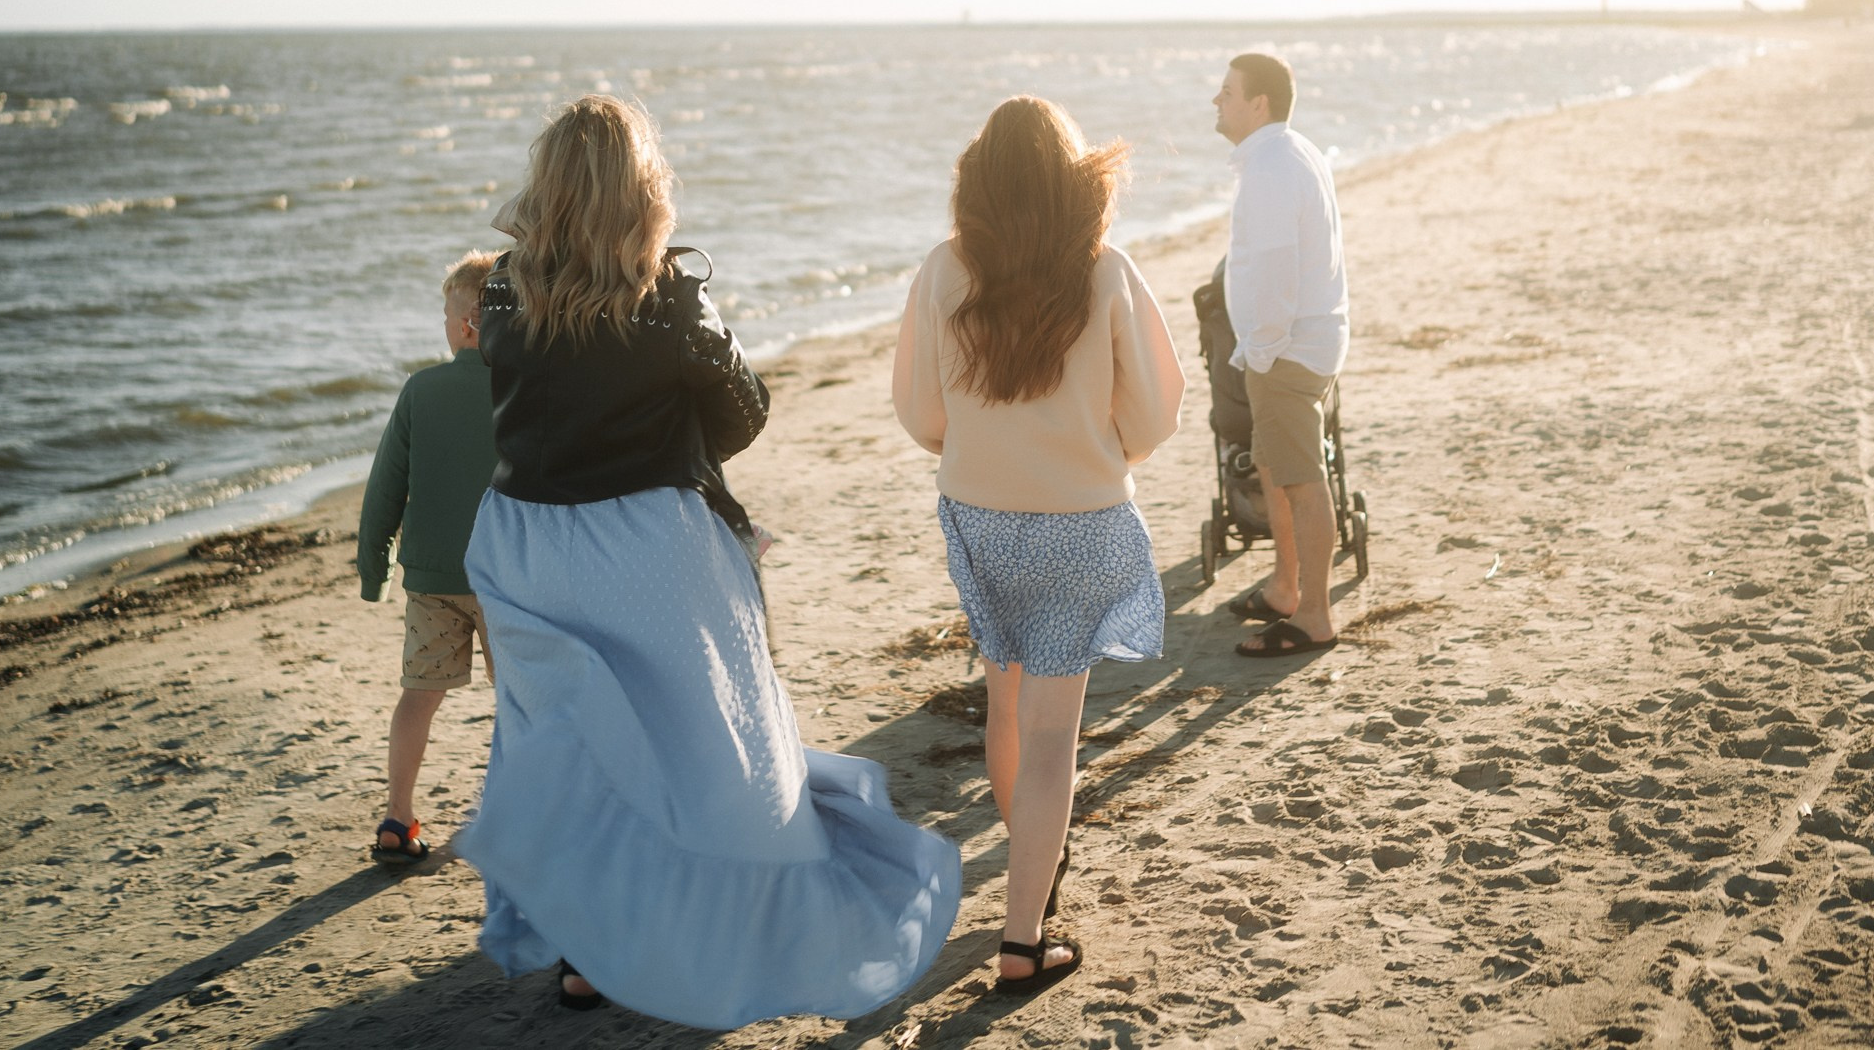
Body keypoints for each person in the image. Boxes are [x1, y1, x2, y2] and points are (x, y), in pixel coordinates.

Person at [459, 94, 958, 1027]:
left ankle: (585, 950)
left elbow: (518, 389)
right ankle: (727, 938)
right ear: (645, 189)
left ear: (548, 185)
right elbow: (746, 409)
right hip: (648, 545)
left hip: (524, 541)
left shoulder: (500, 288)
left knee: (571, 744)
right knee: (713, 750)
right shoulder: (668, 294)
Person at [892, 96, 1184, 997]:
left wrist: (980, 450)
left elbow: (918, 412)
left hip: (981, 518)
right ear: (1073, 180)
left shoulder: (945, 270)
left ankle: (1030, 859)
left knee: (1006, 705)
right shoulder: (1105, 270)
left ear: (976, 181)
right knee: (1056, 729)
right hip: (1082, 519)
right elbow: (1158, 407)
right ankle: (1024, 934)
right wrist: (1103, 454)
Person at [356, 249, 503, 867]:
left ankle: (397, 817)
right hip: (508, 579)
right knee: (521, 701)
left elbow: (385, 485)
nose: (444, 327)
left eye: (447, 315)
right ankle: (510, 814)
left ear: (467, 323)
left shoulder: (420, 390)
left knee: (418, 696)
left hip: (433, 579)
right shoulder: (522, 392)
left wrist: (375, 570)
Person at [1212, 52, 1350, 657]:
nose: (1216, 102)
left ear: (1258, 102)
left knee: (1300, 479)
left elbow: (1275, 269)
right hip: (1295, 345)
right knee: (1274, 470)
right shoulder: (1291, 152)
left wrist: (1261, 351)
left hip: (1288, 350)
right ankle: (1285, 588)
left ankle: (1314, 616)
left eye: (1226, 92)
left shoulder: (1272, 165)